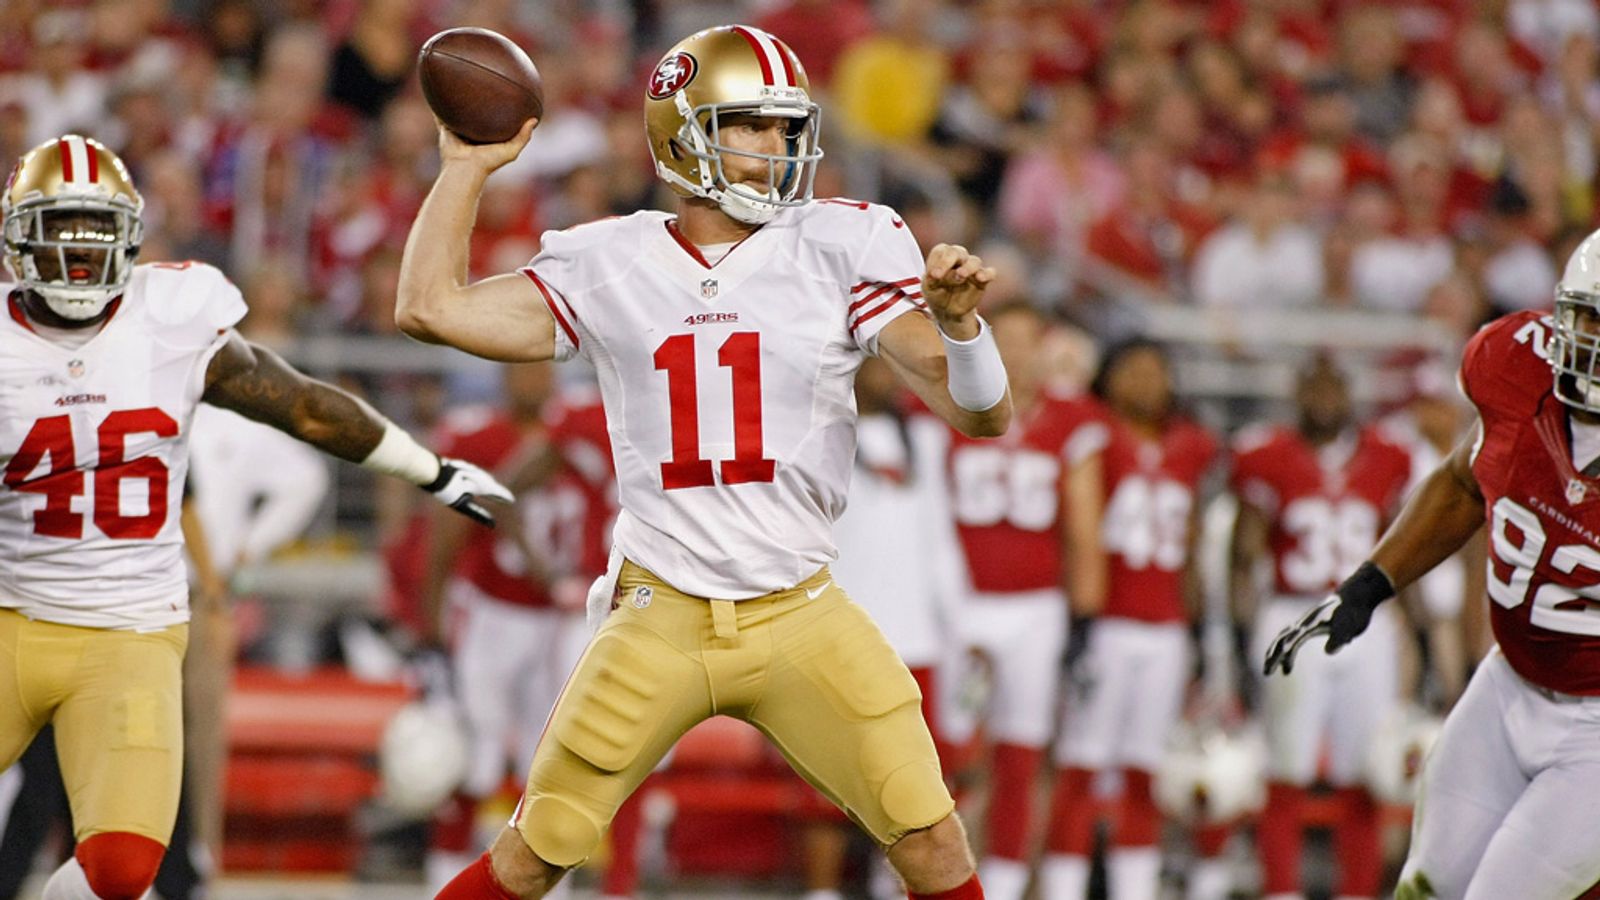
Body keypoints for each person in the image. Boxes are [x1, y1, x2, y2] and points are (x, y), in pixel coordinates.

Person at [395, 24, 1013, 900]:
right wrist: (465, 168)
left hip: (802, 608)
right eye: (750, 126)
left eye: (785, 128)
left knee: (935, 846)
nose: (776, 148)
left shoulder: (842, 243)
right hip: (661, 611)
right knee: (537, 854)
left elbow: (982, 412)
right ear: (682, 133)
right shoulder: (609, 260)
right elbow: (428, 309)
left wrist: (961, 328)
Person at [0, 134, 513, 900]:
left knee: (120, 872)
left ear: (130, 236)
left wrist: (427, 467)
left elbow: (302, 405)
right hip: (10, 617)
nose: (78, 259)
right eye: (60, 233)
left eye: (96, 233)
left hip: (131, 635)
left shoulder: (172, 319)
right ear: (18, 238)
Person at [1265, 230, 1600, 899]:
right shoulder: (1515, 365)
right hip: (1506, 684)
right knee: (1425, 888)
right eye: (1586, 317)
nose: (1590, 341)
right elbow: (1462, 482)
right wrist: (1368, 585)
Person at [1041, 339, 1220, 900]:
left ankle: (1134, 890)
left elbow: (1191, 546)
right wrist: (1081, 621)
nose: (1146, 383)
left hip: (1165, 626)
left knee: (1144, 773)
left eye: (1157, 371)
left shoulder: (1190, 445)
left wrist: (1196, 627)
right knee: (1081, 768)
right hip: (1108, 623)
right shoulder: (1094, 433)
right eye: (1134, 371)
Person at [939, 300, 1105, 900]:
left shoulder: (1071, 420)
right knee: (947, 752)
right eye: (1000, 338)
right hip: (962, 601)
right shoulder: (949, 402)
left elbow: (1084, 530)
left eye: (1024, 339)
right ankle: (931, 875)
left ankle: (1004, 884)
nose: (1013, 352)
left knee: (1021, 752)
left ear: (1045, 348)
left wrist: (1084, 620)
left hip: (1036, 607)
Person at [1233, 357, 1414, 900]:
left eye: (1334, 384)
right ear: (1295, 392)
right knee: (1286, 765)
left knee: (1366, 770)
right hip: (1294, 613)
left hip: (1366, 619)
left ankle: (1357, 891)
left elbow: (1405, 546)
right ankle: (1281, 891)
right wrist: (1243, 637)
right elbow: (1243, 552)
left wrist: (1422, 635)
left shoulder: (1389, 456)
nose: (1324, 398)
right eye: (1313, 384)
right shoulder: (1266, 456)